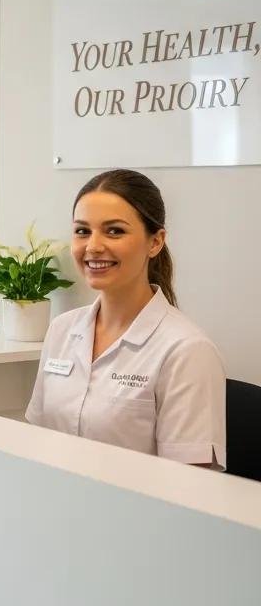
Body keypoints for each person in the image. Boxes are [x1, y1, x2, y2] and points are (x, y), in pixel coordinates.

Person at [26, 169, 225, 468]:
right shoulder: (61, 329)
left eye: (114, 231)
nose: (93, 246)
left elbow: (190, 488)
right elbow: (36, 442)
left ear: (155, 242)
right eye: (82, 231)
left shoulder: (187, 351)